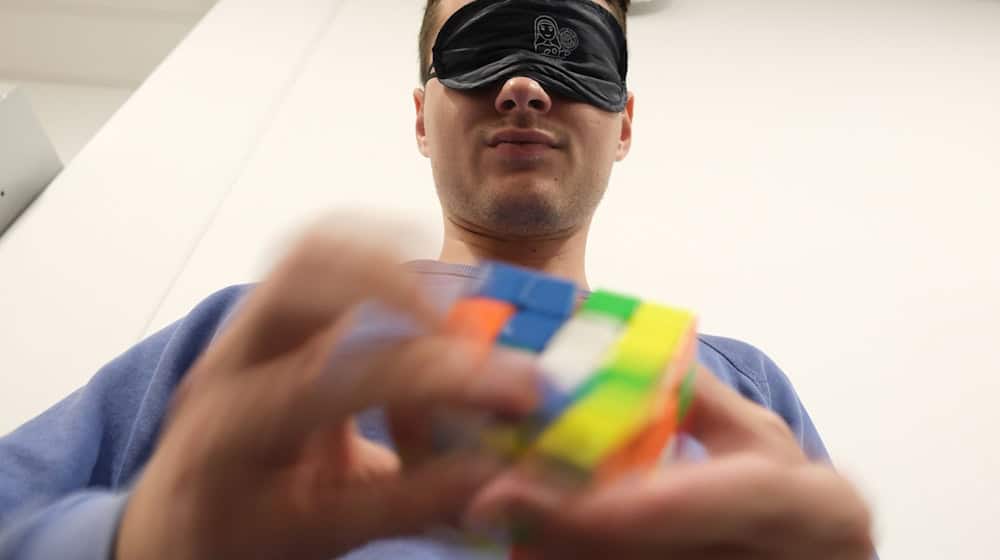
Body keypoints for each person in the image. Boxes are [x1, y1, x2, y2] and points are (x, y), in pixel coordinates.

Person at [0, 0, 876, 558]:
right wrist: (132, 541)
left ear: (626, 124)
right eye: (483, 47)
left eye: (573, 53)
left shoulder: (743, 389)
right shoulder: (243, 338)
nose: (527, 83)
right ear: (423, 117)